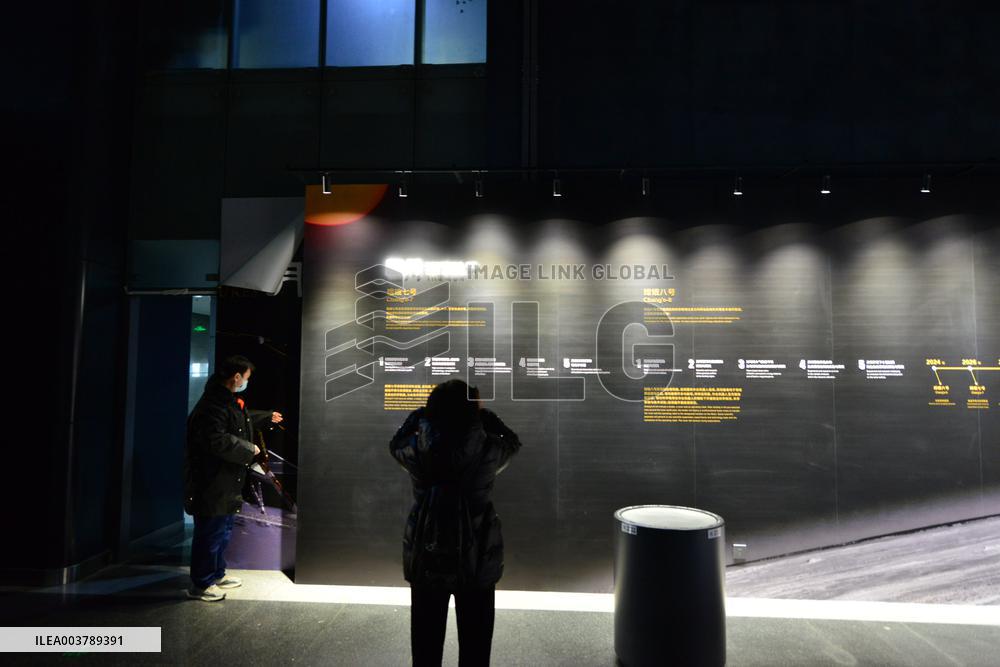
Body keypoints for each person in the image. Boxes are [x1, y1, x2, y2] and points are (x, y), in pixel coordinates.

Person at [389, 379, 522, 666]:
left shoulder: (418, 448)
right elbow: (512, 442)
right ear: (472, 407)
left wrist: (416, 417)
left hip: (427, 552)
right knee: (476, 644)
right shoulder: (486, 450)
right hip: (477, 554)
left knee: (425, 643)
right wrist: (487, 418)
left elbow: (395, 444)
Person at [184, 355, 284, 602]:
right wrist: (249, 449)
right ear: (236, 377)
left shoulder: (226, 402)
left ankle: (216, 574)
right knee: (210, 532)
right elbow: (215, 439)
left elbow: (241, 420)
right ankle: (201, 583)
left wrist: (264, 417)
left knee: (223, 530)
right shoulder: (213, 405)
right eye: (246, 378)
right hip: (212, 481)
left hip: (225, 480)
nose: (246, 382)